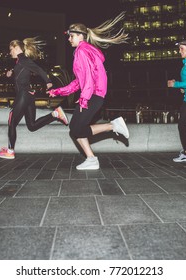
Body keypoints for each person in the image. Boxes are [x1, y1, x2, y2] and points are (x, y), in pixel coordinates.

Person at [48, 12, 129, 170]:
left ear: (80, 36)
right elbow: (78, 81)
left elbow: (88, 80)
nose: (69, 39)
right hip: (95, 94)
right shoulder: (87, 50)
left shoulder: (81, 51)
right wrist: (58, 92)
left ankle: (113, 126)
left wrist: (84, 99)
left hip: (93, 94)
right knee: (75, 129)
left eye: (71, 36)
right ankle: (91, 158)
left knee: (77, 129)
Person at [0, 38, 69, 159]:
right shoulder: (20, 62)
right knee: (32, 126)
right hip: (28, 96)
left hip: (24, 95)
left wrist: (48, 82)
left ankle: (10, 151)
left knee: (12, 122)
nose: (10, 52)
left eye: (11, 50)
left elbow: (38, 69)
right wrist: (11, 73)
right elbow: (21, 74)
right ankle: (55, 114)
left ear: (16, 47)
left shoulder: (23, 59)